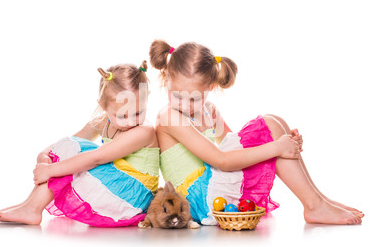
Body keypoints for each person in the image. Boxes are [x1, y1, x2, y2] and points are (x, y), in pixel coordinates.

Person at [150, 40, 363, 225]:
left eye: (195, 98)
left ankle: (318, 199)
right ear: (166, 80)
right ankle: (314, 204)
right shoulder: (170, 117)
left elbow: (234, 144)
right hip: (198, 199)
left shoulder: (209, 111)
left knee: (274, 123)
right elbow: (222, 160)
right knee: (269, 127)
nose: (186, 105)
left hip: (213, 183)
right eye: (177, 96)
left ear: (211, 87)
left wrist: (285, 141)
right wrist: (277, 145)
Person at [0, 61, 160, 227]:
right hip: (115, 188)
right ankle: (29, 204)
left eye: (138, 112)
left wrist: (50, 170)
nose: (130, 121)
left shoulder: (143, 132)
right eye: (122, 116)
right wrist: (44, 156)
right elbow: (67, 142)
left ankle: (32, 209)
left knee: (77, 157)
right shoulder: (103, 122)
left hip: (131, 197)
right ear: (104, 106)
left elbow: (96, 158)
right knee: (70, 150)